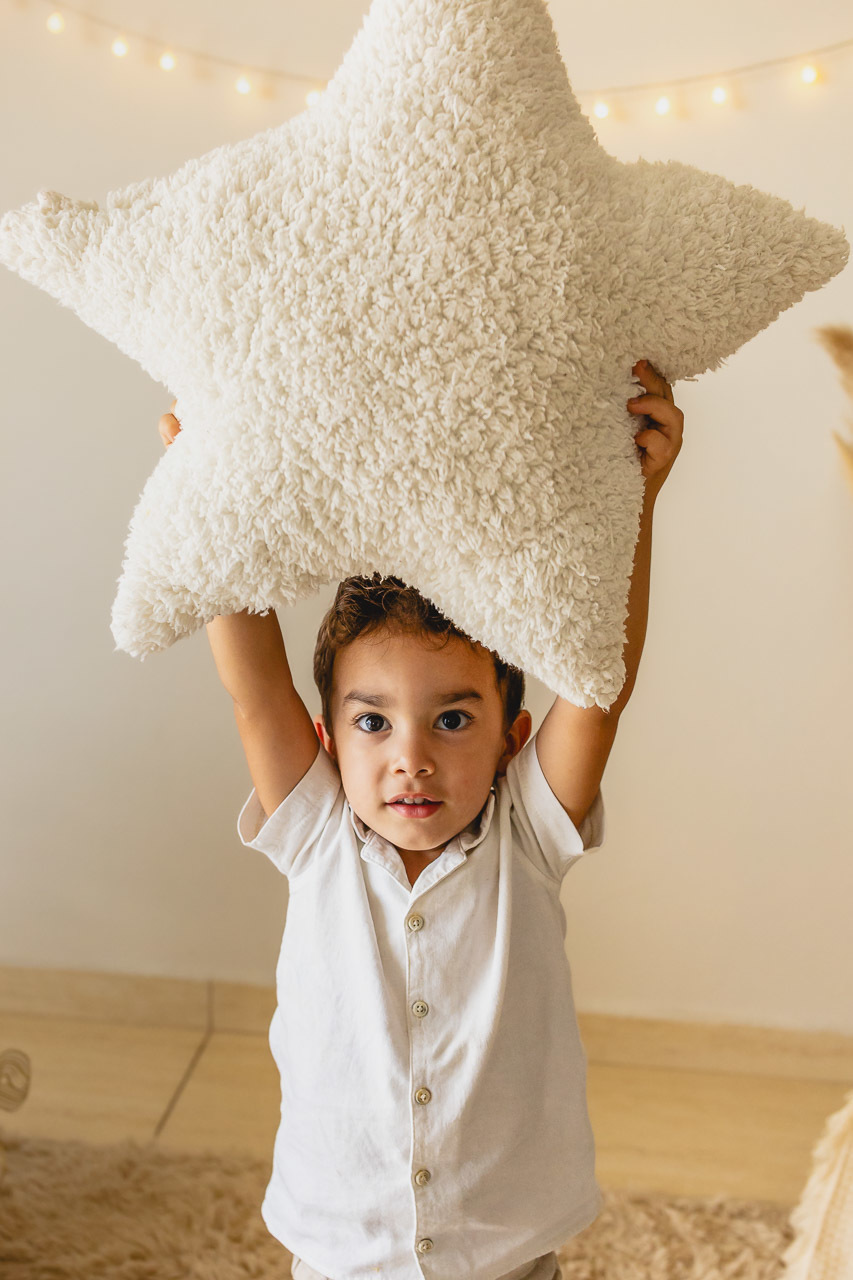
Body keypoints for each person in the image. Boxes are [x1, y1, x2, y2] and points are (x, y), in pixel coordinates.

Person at [157, 360, 683, 1279]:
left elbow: (600, 690)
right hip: (341, 1246)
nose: (411, 757)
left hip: (504, 1249)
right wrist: (211, 486)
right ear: (326, 739)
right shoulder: (317, 830)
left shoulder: (525, 833)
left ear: (512, 736)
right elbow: (254, 688)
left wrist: (635, 499)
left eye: (451, 718)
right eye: (373, 722)